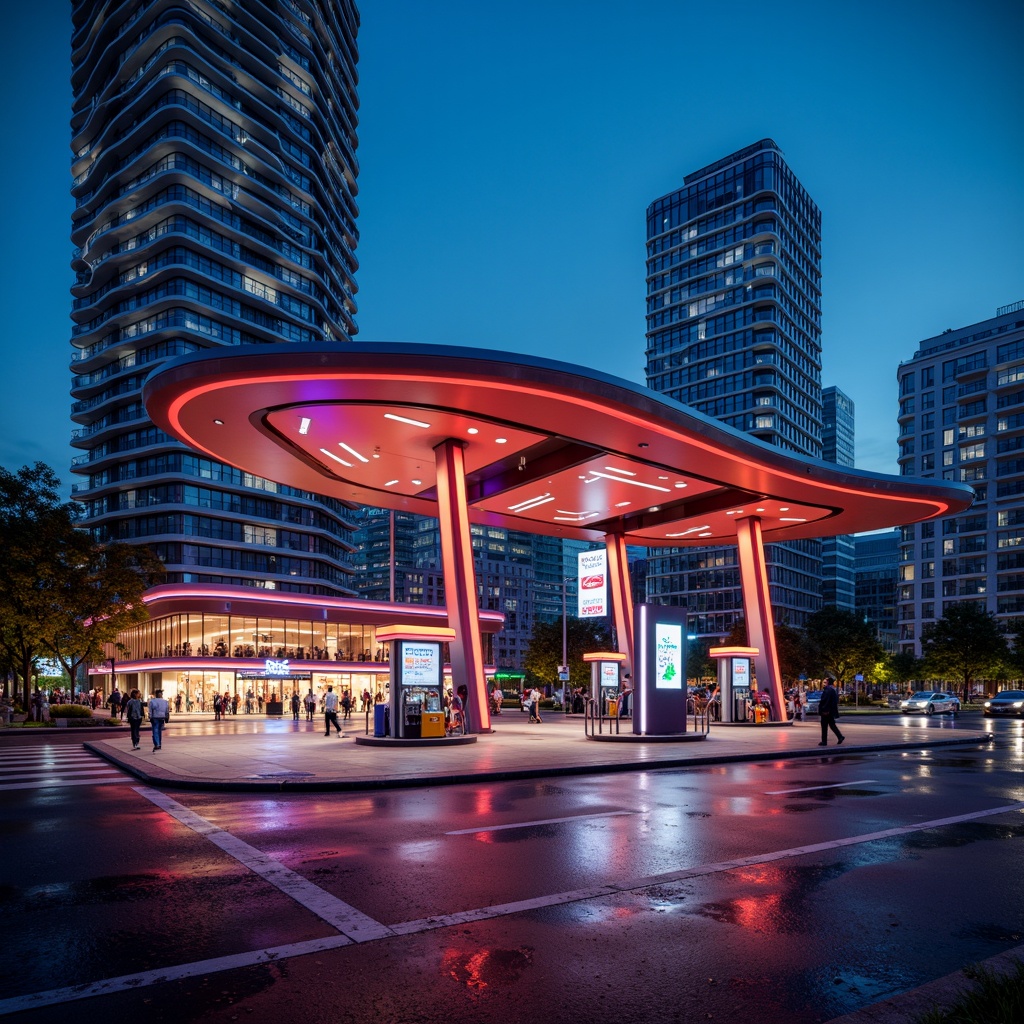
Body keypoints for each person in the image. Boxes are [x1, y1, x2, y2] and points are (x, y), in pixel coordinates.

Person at [818, 679, 845, 747]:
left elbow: (825, 701)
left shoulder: (827, 690)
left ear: (828, 683)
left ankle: (824, 741)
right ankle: (840, 736)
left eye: (825, 682)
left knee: (824, 726)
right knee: (832, 725)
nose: (823, 683)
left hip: (826, 711)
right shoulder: (832, 690)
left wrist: (824, 710)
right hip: (830, 711)